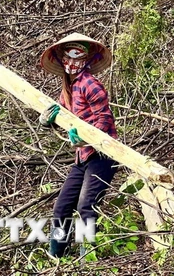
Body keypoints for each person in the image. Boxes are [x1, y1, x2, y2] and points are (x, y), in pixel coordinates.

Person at [37, 33, 117, 259]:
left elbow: (104, 119)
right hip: (82, 158)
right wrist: (47, 121)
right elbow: (60, 116)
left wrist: (85, 138)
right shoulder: (67, 90)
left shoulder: (90, 85)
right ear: (61, 60)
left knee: (86, 206)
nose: (72, 64)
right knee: (62, 207)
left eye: (78, 58)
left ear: (87, 60)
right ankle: (56, 255)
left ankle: (88, 257)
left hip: (102, 155)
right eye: (68, 58)